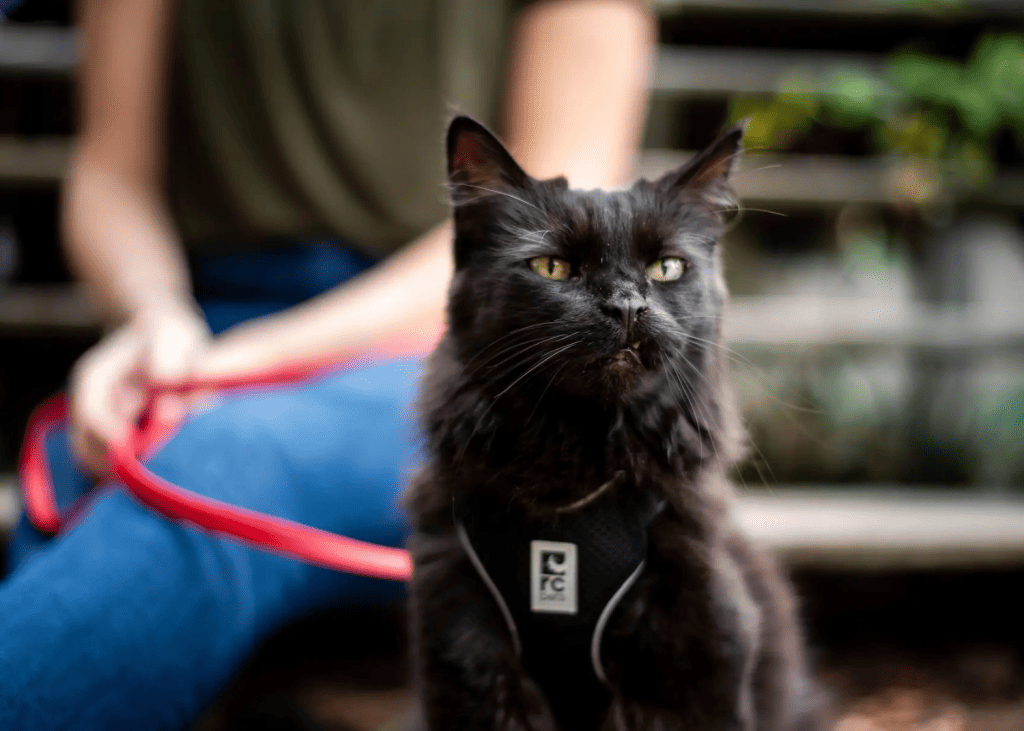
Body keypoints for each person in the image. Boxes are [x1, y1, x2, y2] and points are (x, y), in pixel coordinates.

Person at [0, 1, 655, 728]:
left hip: (457, 346)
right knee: (83, 484)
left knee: (219, 461)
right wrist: (155, 318)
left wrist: (234, 366)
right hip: (201, 328)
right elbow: (111, 169)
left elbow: (554, 227)